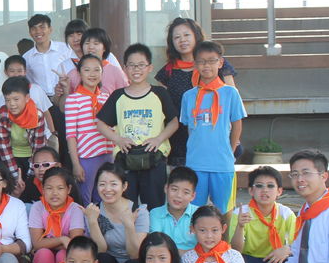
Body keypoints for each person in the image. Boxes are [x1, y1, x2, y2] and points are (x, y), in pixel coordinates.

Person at [96, 43, 178, 210]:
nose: (136, 69)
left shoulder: (159, 93)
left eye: (141, 65)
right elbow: (100, 123)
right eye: (132, 65)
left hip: (154, 158)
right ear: (125, 68)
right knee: (126, 206)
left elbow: (174, 122)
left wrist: (158, 139)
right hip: (126, 159)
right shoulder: (118, 96)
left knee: (155, 207)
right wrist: (118, 139)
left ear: (150, 67)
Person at [156, 17, 238, 166]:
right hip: (180, 137)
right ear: (171, 42)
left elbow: (232, 104)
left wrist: (234, 137)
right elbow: (164, 109)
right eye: (177, 37)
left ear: (196, 36)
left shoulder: (217, 63)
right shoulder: (167, 71)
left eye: (187, 35)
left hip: (217, 135)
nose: (182, 40)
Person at [180, 40, 245, 211]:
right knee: (194, 211)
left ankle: (224, 232)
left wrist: (230, 151)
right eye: (201, 61)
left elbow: (237, 125)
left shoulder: (230, 93)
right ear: (195, 64)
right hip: (196, 163)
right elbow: (190, 128)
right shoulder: (189, 96)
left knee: (224, 211)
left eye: (211, 61)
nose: (206, 65)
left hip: (222, 164)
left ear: (220, 63)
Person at [229, 166, 297, 263]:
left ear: (279, 191)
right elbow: (235, 250)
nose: (265, 190)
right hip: (249, 261)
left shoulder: (286, 213)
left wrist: (286, 249)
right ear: (251, 191)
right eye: (259, 186)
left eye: (270, 186)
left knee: (292, 261)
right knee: (234, 262)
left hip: (275, 259)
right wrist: (240, 226)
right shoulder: (241, 213)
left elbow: (297, 244)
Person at [29, 168, 86, 263]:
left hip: (68, 252)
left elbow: (74, 245)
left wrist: (49, 243)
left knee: (63, 255)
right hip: (46, 251)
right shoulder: (37, 207)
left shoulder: (75, 209)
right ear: (42, 189)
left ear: (68, 189)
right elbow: (37, 243)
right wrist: (62, 239)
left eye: (60, 188)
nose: (54, 193)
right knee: (43, 254)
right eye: (49, 188)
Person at [23, 14, 73, 163]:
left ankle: (67, 171)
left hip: (64, 100)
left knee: (67, 139)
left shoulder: (65, 49)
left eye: (42, 27)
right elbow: (29, 82)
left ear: (50, 29)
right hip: (42, 105)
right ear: (30, 32)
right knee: (47, 141)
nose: (38, 31)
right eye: (34, 28)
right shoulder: (27, 57)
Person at [64, 54, 113, 205]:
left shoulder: (106, 97)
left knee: (105, 197)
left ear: (102, 73)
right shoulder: (73, 99)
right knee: (85, 198)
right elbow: (70, 135)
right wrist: (76, 164)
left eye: (96, 70)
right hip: (87, 157)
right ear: (79, 73)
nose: (92, 74)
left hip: (107, 154)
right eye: (87, 70)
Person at [0, 76, 50, 198]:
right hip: (10, 157)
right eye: (7, 100)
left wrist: (29, 175)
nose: (12, 104)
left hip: (32, 159)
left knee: (32, 191)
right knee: (12, 190)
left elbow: (38, 148)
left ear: (27, 98)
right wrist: (15, 176)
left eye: (16, 99)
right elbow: (4, 149)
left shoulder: (37, 115)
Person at [148, 166, 199, 253]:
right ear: (166, 188)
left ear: (193, 196)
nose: (179, 195)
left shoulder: (199, 214)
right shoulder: (155, 213)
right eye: (174, 189)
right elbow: (156, 244)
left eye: (186, 192)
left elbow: (205, 245)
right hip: (165, 259)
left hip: (195, 259)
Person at [63, 28, 128, 96]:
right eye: (87, 43)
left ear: (104, 48)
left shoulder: (115, 72)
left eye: (96, 43)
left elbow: (126, 96)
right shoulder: (73, 74)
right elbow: (64, 100)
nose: (91, 47)